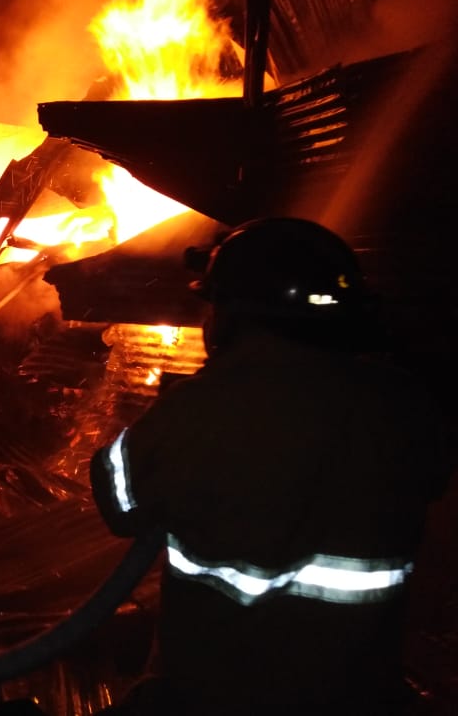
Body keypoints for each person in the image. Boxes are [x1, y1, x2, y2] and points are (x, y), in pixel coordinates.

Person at [89, 217, 453, 715]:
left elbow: (119, 503)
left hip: (215, 692)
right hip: (358, 694)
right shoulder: (405, 403)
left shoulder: (201, 406)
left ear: (233, 314)